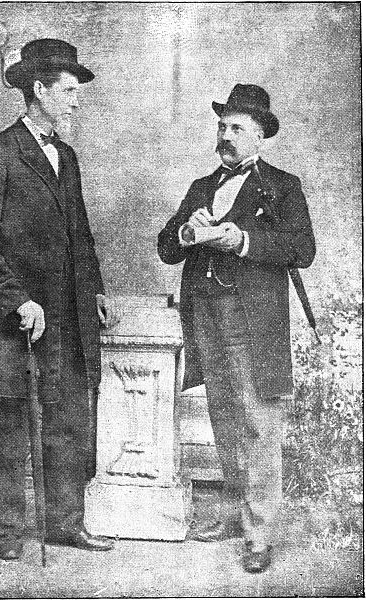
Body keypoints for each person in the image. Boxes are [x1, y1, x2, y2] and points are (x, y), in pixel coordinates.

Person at [0, 38, 118, 560]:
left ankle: (65, 524)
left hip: (68, 317)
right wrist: (18, 301)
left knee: (69, 421)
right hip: (18, 319)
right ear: (39, 90)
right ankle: (8, 531)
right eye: (68, 91)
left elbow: (80, 234)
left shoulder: (66, 156)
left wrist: (93, 290)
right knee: (12, 425)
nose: (76, 101)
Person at [157, 84, 316, 573]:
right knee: (223, 415)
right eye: (222, 126)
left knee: (258, 422)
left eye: (237, 128)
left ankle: (260, 533)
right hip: (205, 316)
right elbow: (167, 248)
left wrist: (242, 239)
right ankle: (233, 515)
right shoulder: (202, 187)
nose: (226, 136)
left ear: (259, 137)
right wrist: (187, 231)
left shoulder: (282, 186)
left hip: (253, 321)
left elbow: (302, 249)